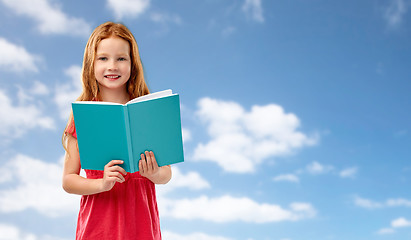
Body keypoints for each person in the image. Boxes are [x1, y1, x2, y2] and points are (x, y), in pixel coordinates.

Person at [62, 22, 172, 240]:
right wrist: (102, 183)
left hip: (141, 228)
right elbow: (68, 180)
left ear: (133, 64)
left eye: (121, 58)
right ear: (91, 64)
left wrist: (154, 173)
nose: (112, 66)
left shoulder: (149, 113)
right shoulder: (82, 117)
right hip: (98, 228)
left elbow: (166, 173)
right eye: (103, 58)